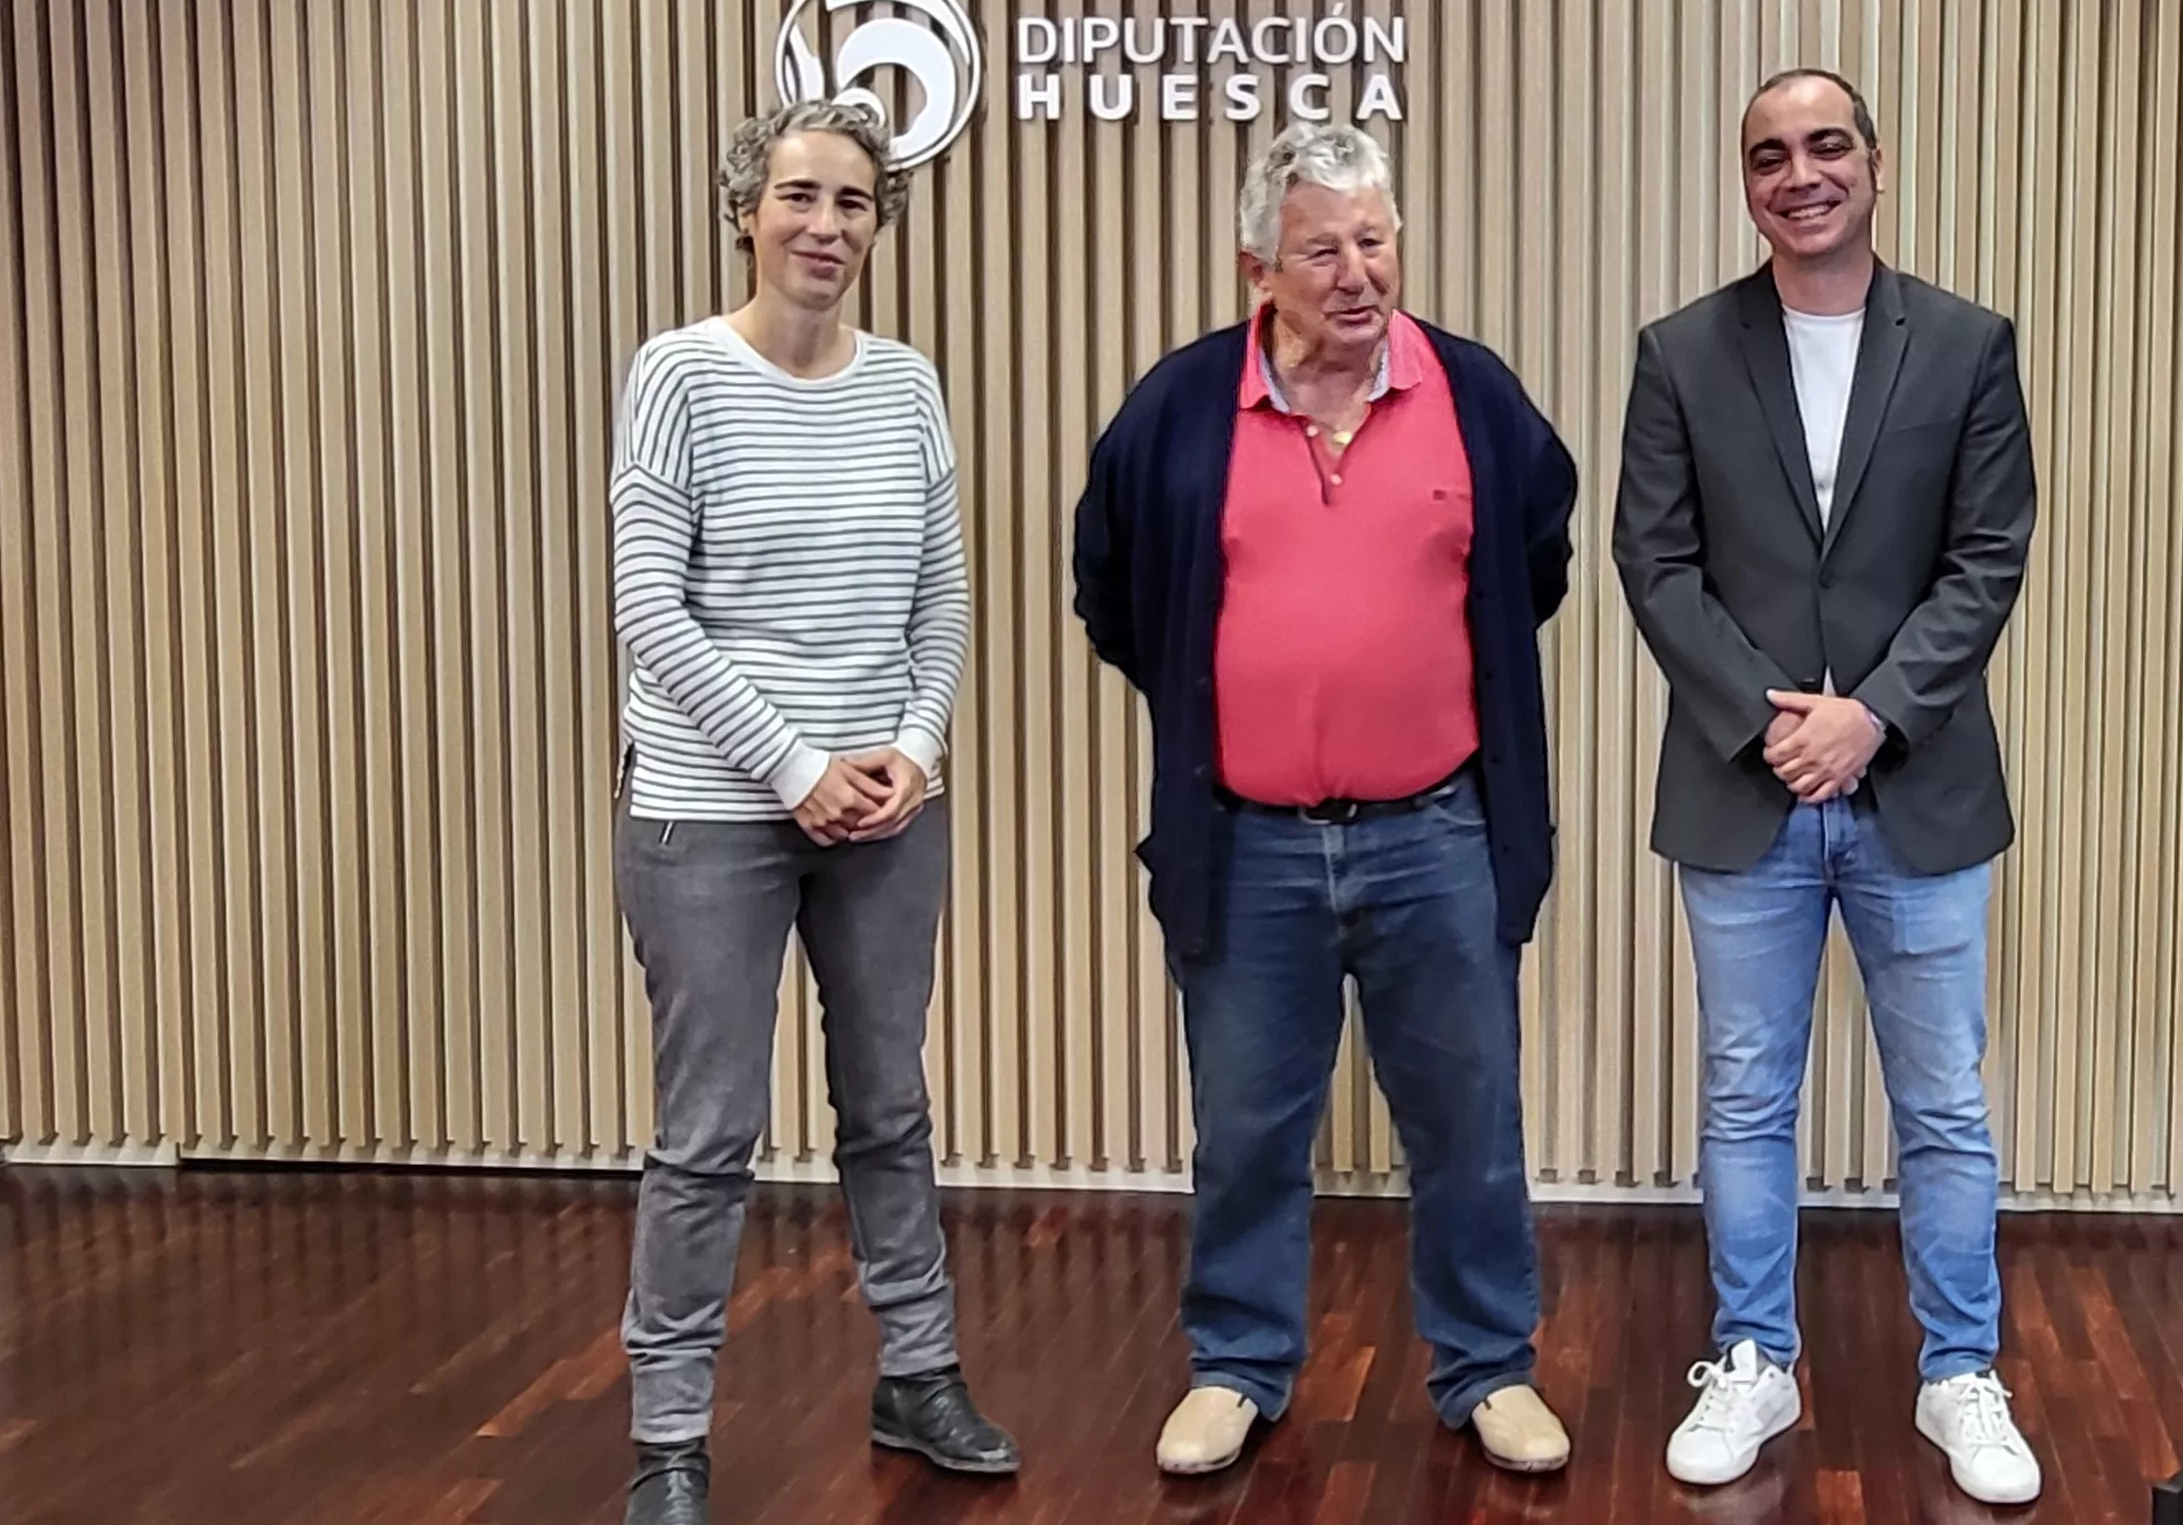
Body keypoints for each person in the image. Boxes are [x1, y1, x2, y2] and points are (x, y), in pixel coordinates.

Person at [1072, 121, 1580, 1481]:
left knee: (1469, 1124)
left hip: (1437, 833)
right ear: (1259, 266)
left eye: (1374, 239)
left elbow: (1535, 556)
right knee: (1244, 1130)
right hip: (1248, 847)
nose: (1357, 272)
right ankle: (1237, 1362)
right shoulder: (1180, 408)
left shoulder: (1472, 396)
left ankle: (1488, 1366)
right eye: (1322, 248)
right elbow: (1113, 589)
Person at [1613, 69, 2043, 1505]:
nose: (1798, 174)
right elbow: (1653, 563)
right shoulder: (1678, 352)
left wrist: (1870, 718)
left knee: (1942, 1105)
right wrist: (1772, 724)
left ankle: (1959, 1375)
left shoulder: (1968, 345)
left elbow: (1987, 557)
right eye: (1767, 156)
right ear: (1746, 184)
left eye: (1824, 147)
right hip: (1744, 793)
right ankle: (1752, 1361)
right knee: (1744, 1099)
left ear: (1874, 161)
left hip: (1916, 787)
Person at [605, 99, 1017, 1525]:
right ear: (747, 211)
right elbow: (647, 608)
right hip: (710, 811)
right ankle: (668, 1435)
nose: (825, 226)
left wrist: (909, 746)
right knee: (706, 1133)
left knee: (888, 1106)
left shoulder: (908, 385)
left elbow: (942, 598)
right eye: (798, 196)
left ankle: (918, 1372)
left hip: (887, 812)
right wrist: (792, 765)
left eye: (853, 202)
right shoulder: (679, 375)